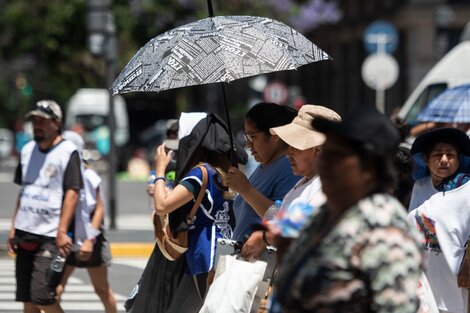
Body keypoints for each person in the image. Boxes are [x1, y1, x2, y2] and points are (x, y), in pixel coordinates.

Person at [272, 107, 423, 313]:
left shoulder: (386, 227)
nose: (325, 163)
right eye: (326, 153)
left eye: (337, 155)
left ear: (369, 168)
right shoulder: (328, 214)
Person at [153, 113, 246, 313]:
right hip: (224, 249)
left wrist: (159, 170)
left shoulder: (200, 173)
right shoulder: (224, 172)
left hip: (205, 255)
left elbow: (162, 205)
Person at [7, 100, 83, 313]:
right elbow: (24, 191)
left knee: (42, 294)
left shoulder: (68, 151)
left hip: (51, 235)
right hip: (25, 230)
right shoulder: (27, 150)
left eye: (42, 121)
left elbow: (72, 192)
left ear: (57, 123)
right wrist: (14, 227)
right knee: (28, 298)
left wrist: (61, 230)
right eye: (34, 121)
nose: (37, 125)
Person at [240, 104, 341, 261]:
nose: (289, 152)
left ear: (318, 150)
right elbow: (286, 217)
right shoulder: (305, 182)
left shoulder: (327, 186)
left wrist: (264, 237)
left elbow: (305, 227)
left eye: (296, 146)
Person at [408, 127, 470, 313]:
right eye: (437, 154)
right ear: (426, 159)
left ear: (459, 159)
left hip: (453, 288)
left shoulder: (467, 190)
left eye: (450, 155)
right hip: (419, 284)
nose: (444, 160)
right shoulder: (419, 186)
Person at [55, 130, 117, 313]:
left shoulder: (88, 175)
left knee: (102, 289)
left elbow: (99, 209)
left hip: (91, 239)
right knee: (54, 291)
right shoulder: (60, 173)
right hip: (66, 238)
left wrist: (89, 239)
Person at [226, 102, 300, 243]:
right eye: (246, 136)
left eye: (252, 136)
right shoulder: (264, 166)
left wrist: (246, 189)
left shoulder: (289, 167)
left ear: (275, 135)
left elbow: (283, 220)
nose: (248, 143)